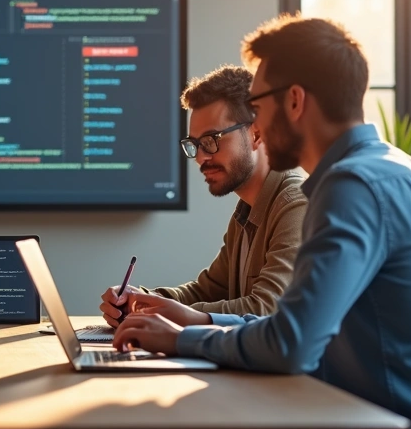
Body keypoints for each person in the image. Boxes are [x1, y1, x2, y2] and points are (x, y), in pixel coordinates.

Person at [110, 15, 411, 429]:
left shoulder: (353, 186)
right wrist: (188, 323)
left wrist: (180, 338)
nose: (257, 124)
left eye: (257, 105)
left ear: (293, 101)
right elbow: (291, 328)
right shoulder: (387, 169)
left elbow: (290, 345)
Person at [95, 66, 306, 330]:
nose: (200, 158)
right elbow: (206, 291)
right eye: (195, 144)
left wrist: (163, 313)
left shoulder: (296, 205)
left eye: (211, 140)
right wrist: (141, 300)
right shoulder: (246, 212)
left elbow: (265, 310)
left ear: (256, 134)